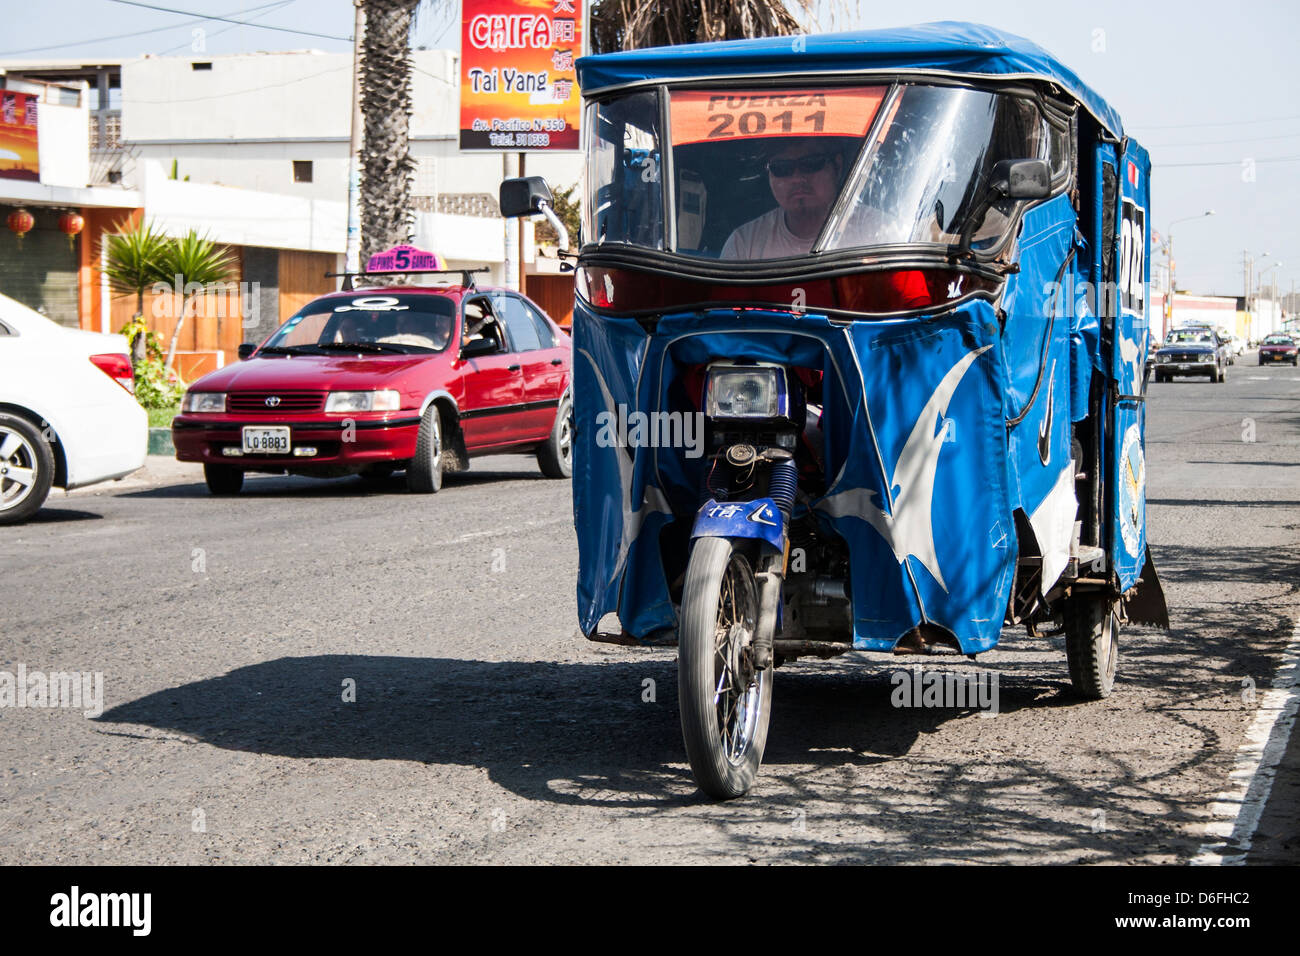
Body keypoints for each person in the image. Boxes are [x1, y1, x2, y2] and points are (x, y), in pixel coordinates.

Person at [721, 139, 843, 260]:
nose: (797, 178)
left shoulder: (862, 234)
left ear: (837, 167)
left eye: (811, 164)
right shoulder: (744, 245)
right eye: (781, 168)